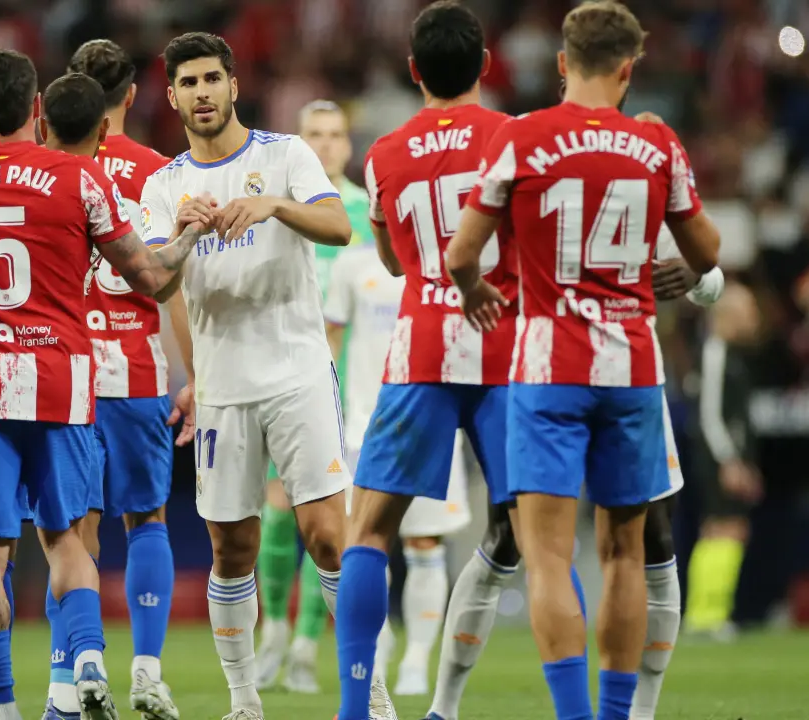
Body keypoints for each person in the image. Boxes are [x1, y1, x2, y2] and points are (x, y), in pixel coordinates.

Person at [444, 2, 720, 717]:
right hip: (632, 370)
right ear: (629, 69)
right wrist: (677, 266)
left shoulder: (523, 137)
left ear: (564, 63)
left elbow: (461, 254)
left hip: (549, 370)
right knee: (628, 553)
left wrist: (475, 293)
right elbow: (707, 252)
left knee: (548, 558)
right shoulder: (656, 142)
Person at [0, 54, 205, 720]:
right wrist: (189, 233)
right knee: (68, 539)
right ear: (36, 108)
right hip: (63, 382)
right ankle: (87, 662)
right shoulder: (80, 178)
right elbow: (150, 276)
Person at [143, 32, 390, 720]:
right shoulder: (164, 185)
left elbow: (339, 226)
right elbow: (156, 283)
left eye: (210, 79)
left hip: (298, 374)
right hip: (223, 388)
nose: (201, 93)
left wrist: (274, 205)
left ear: (232, 85)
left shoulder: (285, 155)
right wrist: (185, 236)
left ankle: (369, 694)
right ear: (173, 97)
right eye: (187, 83)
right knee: (232, 548)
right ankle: (245, 701)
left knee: (330, 537)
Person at [331, 4, 515, 718]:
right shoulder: (513, 138)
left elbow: (392, 262)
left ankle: (355, 709)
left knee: (369, 532)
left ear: (414, 71)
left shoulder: (384, 155)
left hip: (422, 349)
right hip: (504, 347)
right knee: (543, 538)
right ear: (486, 64)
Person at [36, 38, 188, 720]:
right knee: (147, 518)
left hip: (63, 371)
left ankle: (65, 685)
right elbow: (169, 286)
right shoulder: (157, 172)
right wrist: (195, 375)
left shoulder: (43, 173)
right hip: (136, 371)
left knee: (71, 532)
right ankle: (148, 672)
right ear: (130, 96)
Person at [255, 99, 373, 695]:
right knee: (278, 510)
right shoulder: (279, 207)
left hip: (349, 384)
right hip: (285, 374)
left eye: (334, 134)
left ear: (347, 144)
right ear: (298, 143)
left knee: (328, 516)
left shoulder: (366, 214)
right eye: (314, 134)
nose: (325, 144)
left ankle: (305, 644)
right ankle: (274, 628)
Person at [323, 240, 472, 698]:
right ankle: (379, 653)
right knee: (366, 541)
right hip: (365, 425)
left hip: (436, 417)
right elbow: (332, 336)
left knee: (425, 542)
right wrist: (328, 406)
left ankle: (417, 661)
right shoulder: (353, 263)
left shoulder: (449, 255)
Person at [684, 281, 762, 639]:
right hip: (718, 458)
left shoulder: (731, 353)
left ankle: (705, 613)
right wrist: (729, 461)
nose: (754, 319)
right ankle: (709, 614)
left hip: (728, 457)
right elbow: (710, 415)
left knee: (719, 529)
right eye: (749, 311)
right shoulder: (714, 352)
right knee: (726, 529)